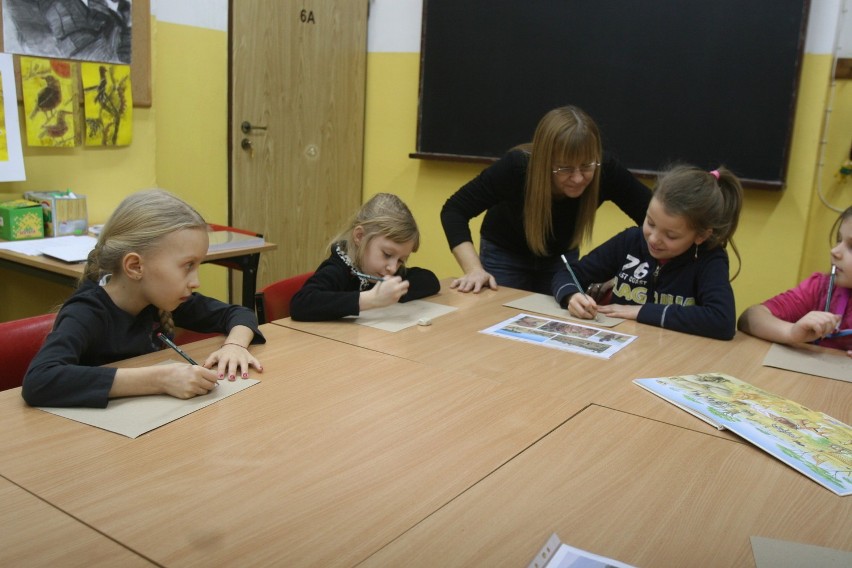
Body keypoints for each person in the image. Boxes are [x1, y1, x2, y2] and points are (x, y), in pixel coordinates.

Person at [22, 190, 265, 408]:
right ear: (135, 266)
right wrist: (161, 379)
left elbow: (238, 313)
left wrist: (234, 346)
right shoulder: (87, 311)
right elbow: (40, 381)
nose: (195, 281)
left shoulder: (161, 299)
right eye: (187, 266)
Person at [440, 105, 652, 294]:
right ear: (544, 162)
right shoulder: (516, 168)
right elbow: (454, 210)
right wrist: (474, 270)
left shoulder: (606, 170)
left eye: (587, 166)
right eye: (565, 168)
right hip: (504, 256)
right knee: (498, 321)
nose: (578, 178)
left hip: (560, 259)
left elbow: (654, 219)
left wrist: (623, 272)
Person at [552, 165, 744, 340]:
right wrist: (571, 295)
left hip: (672, 354)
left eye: (671, 235)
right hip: (620, 347)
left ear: (701, 236)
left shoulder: (710, 259)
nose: (653, 239)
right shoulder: (631, 241)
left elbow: (722, 321)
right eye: (650, 223)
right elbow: (569, 273)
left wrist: (642, 311)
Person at [290, 193, 440, 321]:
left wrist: (392, 293)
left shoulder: (384, 271)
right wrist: (372, 299)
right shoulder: (338, 269)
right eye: (387, 254)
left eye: (401, 260)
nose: (393, 268)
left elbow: (430, 280)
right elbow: (301, 304)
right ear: (360, 236)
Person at [737, 206, 852, 357]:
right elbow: (749, 318)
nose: (835, 251)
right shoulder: (819, 288)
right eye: (838, 240)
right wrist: (791, 332)